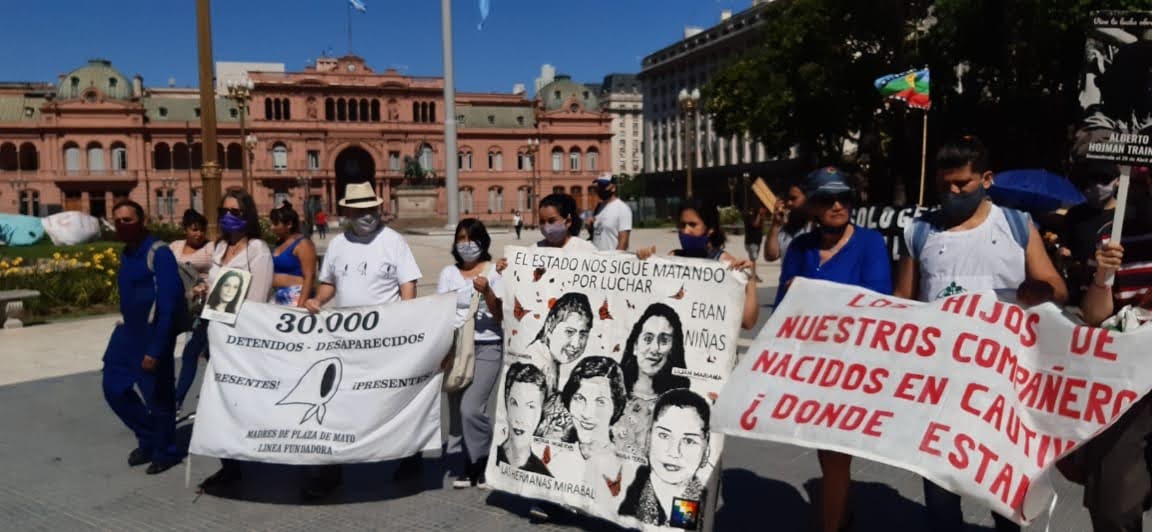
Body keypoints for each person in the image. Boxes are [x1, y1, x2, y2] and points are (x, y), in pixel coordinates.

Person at [894, 136, 1067, 532]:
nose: (952, 193)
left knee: (1004, 486)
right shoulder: (918, 232)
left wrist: (1038, 290)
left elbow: (1056, 287)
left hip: (1004, 381)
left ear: (986, 179)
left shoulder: (1015, 225)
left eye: (962, 184)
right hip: (939, 380)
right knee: (939, 486)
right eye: (944, 186)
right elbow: (903, 302)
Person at [774, 166, 892, 532]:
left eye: (845, 198)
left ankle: (832, 524)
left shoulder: (870, 243)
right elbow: (781, 309)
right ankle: (839, 513)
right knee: (827, 453)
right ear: (811, 205)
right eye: (827, 199)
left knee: (837, 453)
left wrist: (811, 295)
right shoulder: (800, 248)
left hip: (853, 369)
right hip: (812, 368)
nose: (838, 205)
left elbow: (877, 303)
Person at [302, 181, 422, 500]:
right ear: (348, 212)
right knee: (335, 402)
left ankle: (409, 457)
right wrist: (317, 300)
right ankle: (331, 469)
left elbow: (408, 285)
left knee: (393, 401)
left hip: (385, 341)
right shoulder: (339, 244)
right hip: (345, 341)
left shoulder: (394, 242)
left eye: (371, 208)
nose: (367, 215)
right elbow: (329, 285)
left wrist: (407, 325)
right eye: (360, 210)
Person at [1070, 169, 1152, 532]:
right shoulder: (1112, 237)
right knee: (1113, 501)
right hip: (1130, 387)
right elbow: (1095, 317)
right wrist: (1103, 276)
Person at [195, 189, 275, 494]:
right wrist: (204, 288)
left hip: (245, 339)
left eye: (237, 212)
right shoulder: (218, 248)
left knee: (254, 402)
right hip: (216, 335)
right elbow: (217, 285)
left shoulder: (257, 250)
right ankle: (230, 466)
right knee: (219, 402)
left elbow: (259, 297)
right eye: (225, 210)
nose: (230, 216)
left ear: (248, 215)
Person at [102, 199, 185, 475]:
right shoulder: (127, 252)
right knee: (113, 387)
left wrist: (157, 348)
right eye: (118, 221)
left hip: (152, 333)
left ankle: (166, 451)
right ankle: (148, 436)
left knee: (158, 397)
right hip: (127, 333)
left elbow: (168, 305)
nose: (122, 225)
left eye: (128, 220)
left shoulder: (159, 253)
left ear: (142, 220)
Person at [437, 218, 504, 489]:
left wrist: (487, 289)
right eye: (461, 238)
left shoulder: (495, 270)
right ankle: (471, 461)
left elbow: (499, 314)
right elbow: (440, 313)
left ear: (483, 241)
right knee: (457, 409)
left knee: (471, 408)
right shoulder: (447, 274)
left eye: (472, 238)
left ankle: (482, 461)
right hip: (456, 347)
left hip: (488, 345)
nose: (466, 244)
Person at [640, 199, 758, 330]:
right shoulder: (673, 258)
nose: (685, 231)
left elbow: (748, 322)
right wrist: (645, 265)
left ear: (710, 229)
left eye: (692, 225)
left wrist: (750, 279)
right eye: (682, 225)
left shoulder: (726, 265)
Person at [619, 389, 711, 528]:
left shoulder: (706, 503)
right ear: (649, 437)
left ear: (706, 448)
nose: (673, 452)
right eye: (664, 435)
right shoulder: (629, 491)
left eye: (688, 440)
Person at [612, 303, 690, 456]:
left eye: (664, 340)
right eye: (648, 338)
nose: (654, 348)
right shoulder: (609, 395)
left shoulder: (681, 409)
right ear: (635, 346)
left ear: (673, 348)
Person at [559, 356, 629, 505]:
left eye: (600, 401)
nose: (587, 413)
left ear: (615, 406)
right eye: (579, 398)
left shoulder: (626, 467)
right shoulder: (555, 455)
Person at [172, 209, 215, 414]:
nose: (199, 234)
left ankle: (177, 400)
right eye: (194, 230)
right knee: (207, 354)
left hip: (205, 307)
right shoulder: (175, 247)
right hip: (182, 305)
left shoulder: (211, 248)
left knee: (191, 353)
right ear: (185, 229)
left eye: (202, 230)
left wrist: (206, 287)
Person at [496, 362, 552, 477]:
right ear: (506, 402)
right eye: (514, 403)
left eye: (530, 406)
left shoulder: (543, 477)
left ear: (541, 411)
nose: (520, 418)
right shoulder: (492, 461)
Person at [269, 205, 318, 308]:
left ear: (289, 224)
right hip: (278, 300)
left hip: (296, 300)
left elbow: (309, 277)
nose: (271, 227)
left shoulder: (303, 245)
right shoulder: (278, 243)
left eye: (276, 223)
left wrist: (300, 307)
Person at [764, 179, 810, 263]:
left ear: (807, 199)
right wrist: (775, 225)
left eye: (793, 199)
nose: (789, 203)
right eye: (788, 198)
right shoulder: (786, 228)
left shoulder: (817, 228)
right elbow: (771, 256)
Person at [589, 176, 633, 251]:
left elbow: (624, 242)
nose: (600, 189)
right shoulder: (599, 207)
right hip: (596, 259)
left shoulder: (622, 209)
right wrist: (590, 227)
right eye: (599, 186)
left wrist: (615, 260)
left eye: (603, 186)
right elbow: (597, 234)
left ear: (613, 188)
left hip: (610, 259)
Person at [743, 207, 765, 281]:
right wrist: (759, 215)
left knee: (753, 259)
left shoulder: (756, 216)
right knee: (753, 260)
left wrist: (762, 216)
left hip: (757, 241)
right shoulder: (749, 216)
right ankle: (753, 276)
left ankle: (753, 275)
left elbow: (761, 226)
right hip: (751, 242)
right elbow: (755, 224)